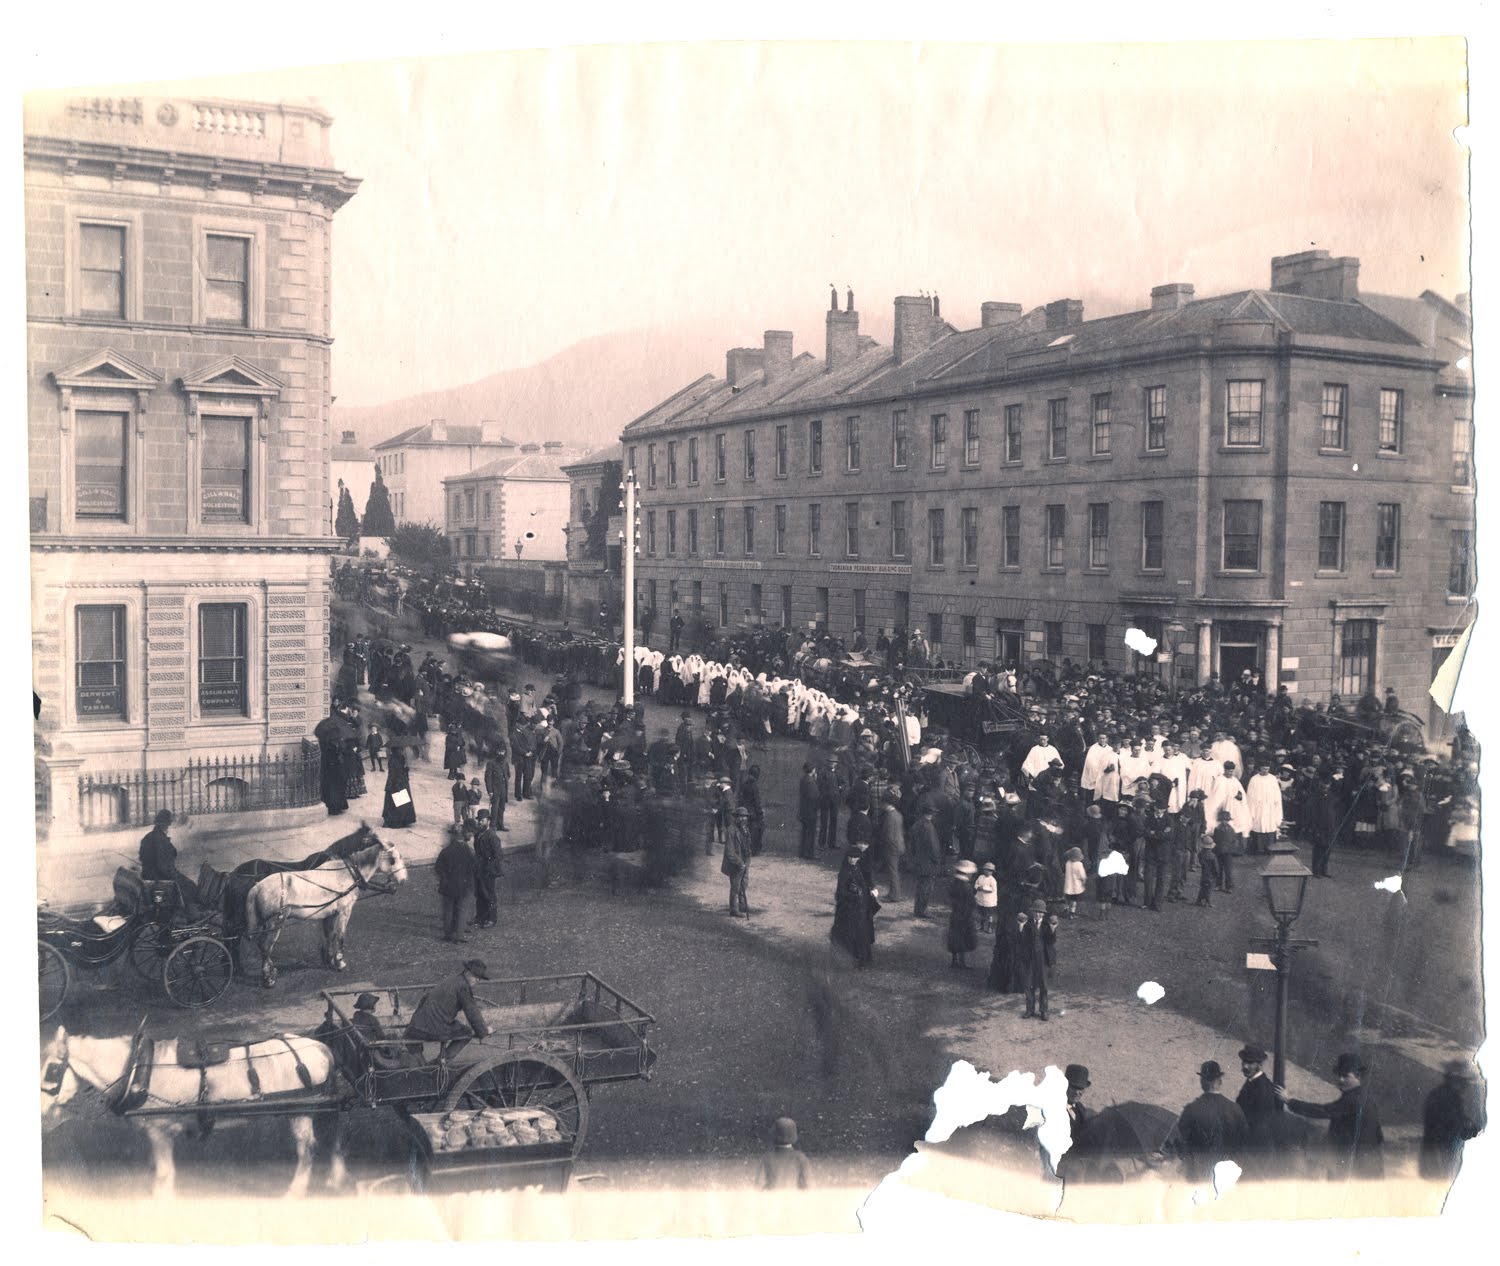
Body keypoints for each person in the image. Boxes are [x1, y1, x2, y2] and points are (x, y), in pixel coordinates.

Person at [1279, 1052, 1385, 1180]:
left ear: (1358, 1076)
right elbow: (1378, 1135)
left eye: (1346, 1076)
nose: (1340, 1080)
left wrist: (1289, 1101)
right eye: (1339, 1075)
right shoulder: (1366, 1097)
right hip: (1372, 1164)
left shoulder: (1352, 1100)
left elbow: (1321, 1111)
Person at [1175, 1060, 1250, 1183]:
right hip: (1228, 1173)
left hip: (1198, 1173)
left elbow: (1181, 1141)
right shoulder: (1235, 1109)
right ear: (1220, 1081)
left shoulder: (1191, 1109)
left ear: (1202, 1082)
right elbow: (1245, 1141)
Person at [404, 959, 491, 1061]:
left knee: (411, 1037)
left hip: (415, 1027)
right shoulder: (463, 987)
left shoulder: (451, 980)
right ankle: (440, 1062)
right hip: (434, 1028)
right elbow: (472, 1012)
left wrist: (413, 1024)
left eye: (479, 978)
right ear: (467, 972)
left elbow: (424, 999)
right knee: (466, 1033)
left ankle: (421, 1064)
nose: (477, 980)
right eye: (475, 976)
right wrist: (483, 1032)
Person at [1420, 1058, 1487, 1182]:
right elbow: (1455, 1126)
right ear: (1455, 1081)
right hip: (1441, 1157)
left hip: (1434, 1155)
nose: (1464, 1087)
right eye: (1462, 1083)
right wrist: (1476, 1131)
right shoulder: (1450, 1098)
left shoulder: (1439, 1095)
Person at [138, 809, 200, 909]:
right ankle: (189, 912)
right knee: (191, 887)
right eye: (168, 824)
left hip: (147, 875)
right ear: (166, 825)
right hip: (160, 879)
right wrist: (178, 878)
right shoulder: (162, 841)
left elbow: (142, 858)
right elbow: (164, 868)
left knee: (188, 885)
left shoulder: (147, 837)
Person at [1235, 1043, 1282, 1173]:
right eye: (1244, 1062)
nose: (1245, 1066)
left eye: (1250, 1063)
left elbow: (1258, 1123)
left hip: (1256, 1151)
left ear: (1260, 1065)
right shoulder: (1253, 1081)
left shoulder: (1262, 1088)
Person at [830, 846, 879, 967]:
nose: (852, 860)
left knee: (860, 934)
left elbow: (864, 883)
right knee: (855, 935)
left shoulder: (856, 868)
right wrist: (854, 895)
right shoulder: (845, 872)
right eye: (850, 857)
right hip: (849, 908)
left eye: (855, 858)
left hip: (858, 907)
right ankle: (858, 959)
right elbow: (840, 892)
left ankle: (862, 959)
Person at [434, 826, 478, 943]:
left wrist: (444, 877)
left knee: (448, 910)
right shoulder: (468, 851)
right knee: (461, 910)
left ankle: (448, 934)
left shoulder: (445, 851)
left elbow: (438, 868)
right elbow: (474, 867)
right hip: (464, 886)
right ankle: (459, 936)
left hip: (448, 886)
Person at [1016, 898, 1057, 1020]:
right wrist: (1021, 928)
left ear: (1044, 914)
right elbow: (1021, 941)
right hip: (1030, 958)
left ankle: (1044, 1010)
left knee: (1043, 985)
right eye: (1036, 912)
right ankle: (1030, 1010)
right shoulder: (1027, 924)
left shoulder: (1046, 924)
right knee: (1029, 985)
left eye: (1041, 912)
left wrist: (1053, 930)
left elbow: (1051, 941)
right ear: (1032, 912)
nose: (1038, 914)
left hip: (1043, 958)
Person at [757, 1117, 812, 1190]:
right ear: (794, 1135)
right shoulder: (801, 1158)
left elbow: (759, 1185)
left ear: (774, 1134)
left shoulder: (767, 1157)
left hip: (771, 1199)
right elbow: (807, 1185)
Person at [909, 803, 943, 919]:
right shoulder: (929, 827)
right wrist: (937, 860)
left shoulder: (916, 825)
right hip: (928, 863)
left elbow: (912, 844)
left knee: (920, 887)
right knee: (926, 888)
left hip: (918, 860)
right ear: (932, 814)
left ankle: (918, 909)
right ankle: (922, 911)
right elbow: (934, 847)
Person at [472, 811, 504, 930]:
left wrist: (489, 867)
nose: (480, 822)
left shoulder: (492, 836)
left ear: (488, 821)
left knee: (490, 894)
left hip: (488, 870)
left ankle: (491, 918)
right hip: (479, 869)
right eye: (479, 820)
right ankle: (480, 917)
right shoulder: (478, 834)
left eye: (483, 820)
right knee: (480, 893)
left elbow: (498, 855)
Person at [947, 859, 979, 969]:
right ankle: (962, 962)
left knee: (955, 936)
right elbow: (971, 902)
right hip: (965, 915)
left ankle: (954, 960)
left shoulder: (955, 883)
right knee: (964, 937)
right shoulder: (966, 887)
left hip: (956, 913)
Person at [722, 805, 753, 917]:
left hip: (744, 863)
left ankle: (742, 905)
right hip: (735, 864)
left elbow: (748, 847)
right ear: (736, 818)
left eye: (745, 817)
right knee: (735, 886)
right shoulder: (731, 830)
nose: (743, 819)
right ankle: (733, 909)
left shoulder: (745, 829)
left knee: (744, 884)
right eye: (740, 817)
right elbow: (729, 852)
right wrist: (740, 863)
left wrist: (747, 862)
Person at [382, 745, 417, 828]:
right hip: (396, 783)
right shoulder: (393, 760)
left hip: (401, 781)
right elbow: (392, 773)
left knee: (401, 801)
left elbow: (402, 770)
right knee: (396, 801)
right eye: (400, 749)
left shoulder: (401, 758)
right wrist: (394, 783)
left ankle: (402, 819)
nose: (402, 751)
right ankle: (396, 820)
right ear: (395, 750)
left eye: (401, 749)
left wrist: (406, 769)